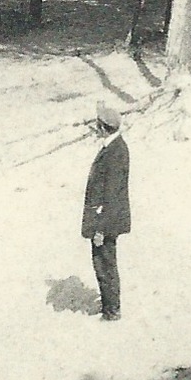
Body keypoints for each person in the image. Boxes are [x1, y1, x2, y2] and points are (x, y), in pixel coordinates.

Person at [82, 102, 131, 321]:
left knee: (105, 263)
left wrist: (101, 228)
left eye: (97, 124)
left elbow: (111, 195)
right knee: (102, 262)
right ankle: (109, 306)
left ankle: (111, 311)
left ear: (103, 127)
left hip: (107, 220)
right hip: (106, 218)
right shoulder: (112, 147)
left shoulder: (115, 152)